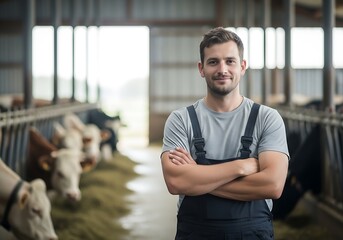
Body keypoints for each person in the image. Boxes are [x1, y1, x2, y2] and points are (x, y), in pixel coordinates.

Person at [160, 27, 289, 240]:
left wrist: (198, 176)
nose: (222, 69)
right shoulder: (181, 120)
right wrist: (240, 167)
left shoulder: (266, 118)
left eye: (230, 61)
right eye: (213, 62)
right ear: (201, 68)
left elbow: (273, 185)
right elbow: (176, 182)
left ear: (242, 66)